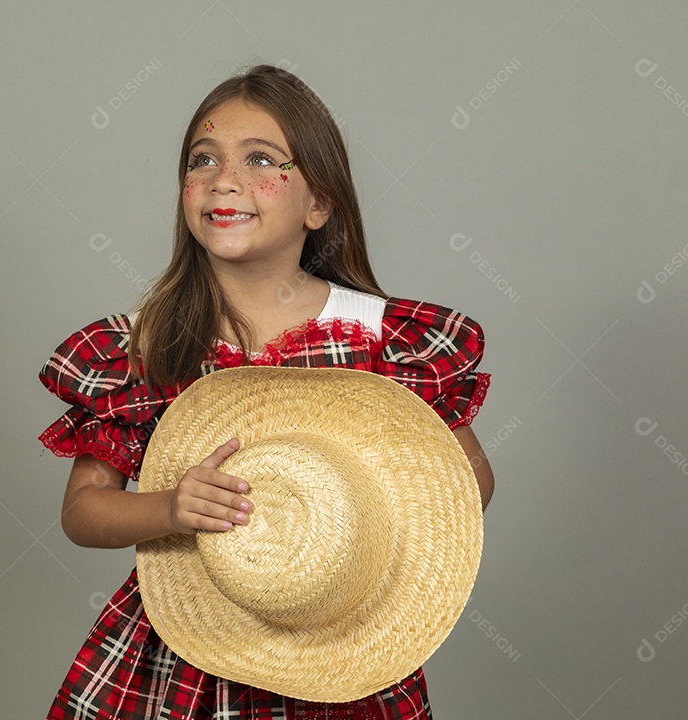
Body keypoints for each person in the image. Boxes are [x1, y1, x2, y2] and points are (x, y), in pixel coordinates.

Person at [37, 63, 494, 720]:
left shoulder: (383, 338)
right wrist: (171, 508)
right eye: (203, 159)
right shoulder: (147, 347)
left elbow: (469, 481)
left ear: (319, 203)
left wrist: (363, 513)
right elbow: (83, 511)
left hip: (339, 636)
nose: (224, 179)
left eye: (261, 160)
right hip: (184, 650)